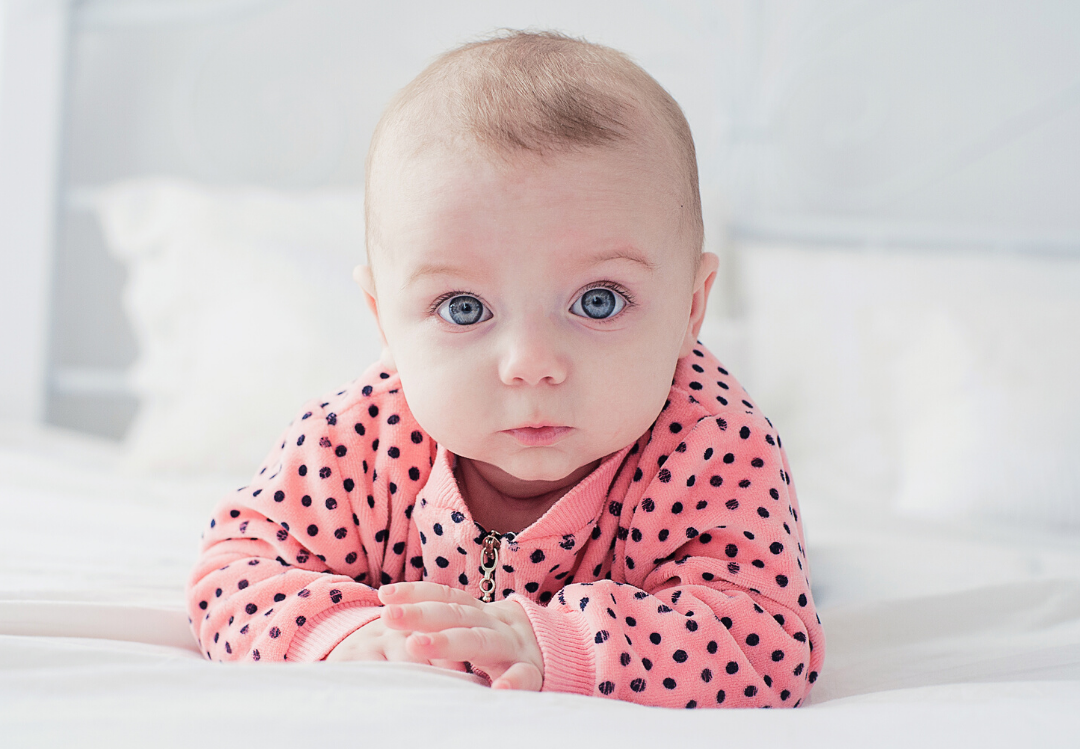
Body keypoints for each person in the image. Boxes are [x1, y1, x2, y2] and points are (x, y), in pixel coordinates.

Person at [186, 29, 824, 709]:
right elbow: (234, 571)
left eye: (598, 302)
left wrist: (558, 644)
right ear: (383, 320)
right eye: (464, 308)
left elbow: (765, 640)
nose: (531, 365)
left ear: (690, 309)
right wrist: (346, 632)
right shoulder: (357, 440)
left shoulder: (712, 445)